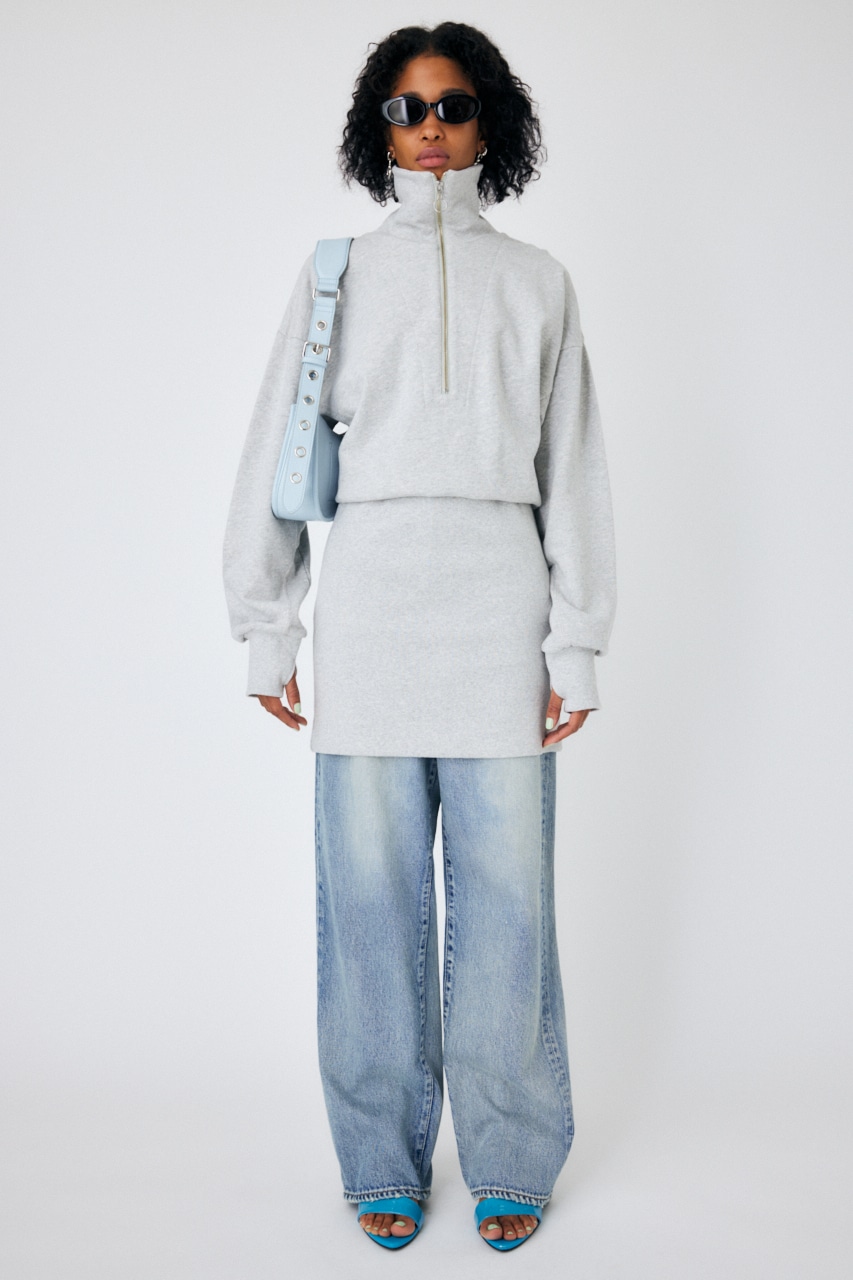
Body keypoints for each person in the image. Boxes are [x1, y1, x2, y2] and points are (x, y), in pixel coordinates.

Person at [222, 21, 617, 1253]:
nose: (429, 126)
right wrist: (268, 625)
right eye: (405, 108)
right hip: (373, 615)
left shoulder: (539, 282)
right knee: (370, 909)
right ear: (377, 129)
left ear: (489, 119)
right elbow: (274, 458)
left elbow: (573, 469)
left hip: (499, 616)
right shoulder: (333, 275)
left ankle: (511, 1151)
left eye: (451, 105)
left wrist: (576, 639)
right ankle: (378, 1153)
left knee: (508, 910)